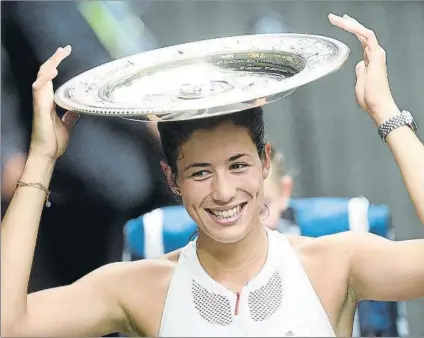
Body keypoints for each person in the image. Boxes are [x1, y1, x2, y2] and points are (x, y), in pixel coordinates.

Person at [1, 13, 423, 337]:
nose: (223, 191)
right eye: (200, 172)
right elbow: (9, 323)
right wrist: (41, 157)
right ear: (172, 180)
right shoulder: (140, 288)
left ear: (264, 161)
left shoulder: (333, 264)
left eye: (238, 165)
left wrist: (386, 114)